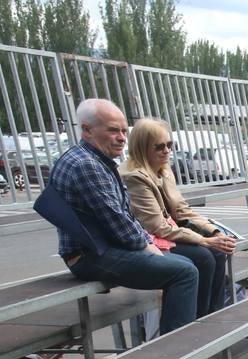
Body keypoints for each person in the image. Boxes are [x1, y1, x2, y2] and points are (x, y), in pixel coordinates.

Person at [44, 99, 198, 334]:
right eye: (113, 130)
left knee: (186, 264)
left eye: (124, 131)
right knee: (184, 272)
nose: (122, 137)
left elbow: (124, 216)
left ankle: (184, 337)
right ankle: (176, 348)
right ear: (87, 129)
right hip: (89, 256)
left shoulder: (95, 160)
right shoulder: (86, 165)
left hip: (102, 249)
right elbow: (119, 223)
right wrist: (152, 248)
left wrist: (150, 245)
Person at [121, 117, 235, 319]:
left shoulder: (164, 170)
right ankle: (196, 320)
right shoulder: (134, 177)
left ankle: (213, 317)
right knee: (204, 257)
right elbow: (157, 226)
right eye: (159, 147)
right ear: (142, 148)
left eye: (169, 145)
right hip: (148, 241)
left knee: (218, 251)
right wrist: (204, 240)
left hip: (167, 235)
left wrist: (214, 232)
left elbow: (182, 210)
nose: (167, 151)